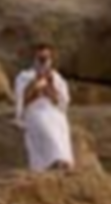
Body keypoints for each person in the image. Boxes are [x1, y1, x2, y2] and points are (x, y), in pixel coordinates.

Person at [14, 43, 75, 172]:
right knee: (43, 125)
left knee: (61, 125)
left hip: (53, 111)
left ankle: (64, 159)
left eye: (45, 58)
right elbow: (23, 100)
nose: (42, 62)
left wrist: (50, 85)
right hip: (34, 110)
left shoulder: (57, 78)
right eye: (40, 58)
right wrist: (35, 85)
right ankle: (52, 161)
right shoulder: (24, 77)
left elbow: (60, 102)